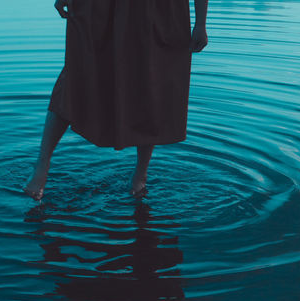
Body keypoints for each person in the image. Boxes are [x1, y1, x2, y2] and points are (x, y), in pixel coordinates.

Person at [24, 0, 209, 200]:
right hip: (101, 7)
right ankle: (42, 165)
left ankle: (140, 173)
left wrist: (201, 23)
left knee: (152, 82)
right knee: (76, 75)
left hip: (160, 10)